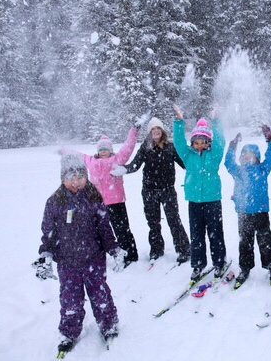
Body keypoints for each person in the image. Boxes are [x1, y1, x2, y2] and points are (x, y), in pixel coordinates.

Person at [33, 154, 126, 354]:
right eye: (70, 176)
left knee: (100, 293)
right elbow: (48, 232)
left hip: (93, 257)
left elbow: (104, 228)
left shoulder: (93, 197)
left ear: (86, 176)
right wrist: (46, 254)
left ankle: (108, 323)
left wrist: (113, 248)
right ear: (62, 178)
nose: (76, 181)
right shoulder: (54, 202)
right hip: (67, 262)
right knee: (70, 299)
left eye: (80, 176)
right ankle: (69, 332)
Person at [61, 116, 147, 267]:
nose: (103, 152)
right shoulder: (91, 161)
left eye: (106, 149)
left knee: (122, 230)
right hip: (98, 203)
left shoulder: (117, 159)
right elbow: (78, 155)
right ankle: (108, 255)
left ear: (110, 150)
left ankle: (130, 255)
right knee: (102, 232)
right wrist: (64, 151)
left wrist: (135, 129)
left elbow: (129, 146)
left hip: (116, 202)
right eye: (101, 149)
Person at [111, 117, 191, 264]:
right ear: (149, 132)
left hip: (168, 190)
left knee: (174, 220)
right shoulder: (145, 147)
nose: (156, 131)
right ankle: (156, 249)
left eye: (158, 128)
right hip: (149, 191)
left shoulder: (170, 147)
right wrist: (124, 169)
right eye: (153, 129)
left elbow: (185, 163)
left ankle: (184, 250)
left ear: (162, 131)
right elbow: (135, 165)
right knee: (153, 222)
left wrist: (198, 161)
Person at [172, 105, 227, 281]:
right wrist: (179, 121)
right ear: (193, 143)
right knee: (196, 235)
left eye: (203, 142)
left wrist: (216, 121)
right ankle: (197, 265)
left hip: (212, 201)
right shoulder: (188, 156)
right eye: (196, 142)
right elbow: (179, 142)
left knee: (215, 233)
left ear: (208, 142)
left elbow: (220, 142)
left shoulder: (214, 155)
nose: (200, 145)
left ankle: (219, 263)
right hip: (194, 202)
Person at [224, 125, 271, 288]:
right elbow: (228, 161)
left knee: (265, 240)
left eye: (252, 155)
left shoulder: (263, 169)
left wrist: (269, 138)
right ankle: (245, 267)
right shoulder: (237, 170)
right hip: (243, 212)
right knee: (245, 242)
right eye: (245, 155)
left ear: (257, 157)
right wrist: (233, 145)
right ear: (241, 158)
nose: (248, 157)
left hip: (261, 211)